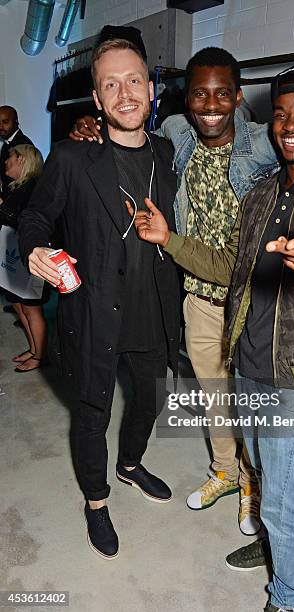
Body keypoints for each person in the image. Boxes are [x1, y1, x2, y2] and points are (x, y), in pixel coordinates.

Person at [71, 47, 294, 536]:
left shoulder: (264, 140)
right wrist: (89, 128)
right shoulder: (175, 134)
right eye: (199, 95)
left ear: (238, 98)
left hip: (251, 300)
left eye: (221, 94)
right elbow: (126, 134)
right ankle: (226, 471)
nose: (210, 105)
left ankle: (255, 488)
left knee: (254, 408)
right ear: (184, 100)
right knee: (216, 399)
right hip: (197, 294)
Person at [131, 65, 294, 611]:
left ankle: (289, 595)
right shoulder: (264, 190)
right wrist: (169, 239)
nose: (291, 126)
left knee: (283, 494)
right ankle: (276, 547)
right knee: (261, 467)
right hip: (248, 356)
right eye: (281, 114)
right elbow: (231, 267)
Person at [18, 38, 181, 560]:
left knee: (149, 402)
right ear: (96, 98)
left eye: (133, 80)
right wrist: (35, 249)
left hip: (155, 310)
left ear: (151, 88)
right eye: (110, 84)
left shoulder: (166, 151)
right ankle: (96, 500)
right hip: (94, 315)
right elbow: (36, 216)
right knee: (92, 414)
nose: (124, 93)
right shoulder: (71, 156)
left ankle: (130, 465)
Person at [0, 144, 48, 372]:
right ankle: (33, 349)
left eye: (10, 157)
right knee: (19, 306)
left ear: (22, 160)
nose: (5, 162)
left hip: (32, 258)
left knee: (31, 309)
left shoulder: (34, 188)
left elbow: (26, 222)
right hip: (14, 259)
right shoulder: (15, 187)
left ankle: (39, 356)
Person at [0, 106, 34, 197]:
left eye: (5, 122)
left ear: (16, 122)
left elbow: (23, 183)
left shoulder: (23, 145)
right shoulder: (8, 143)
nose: (0, 126)